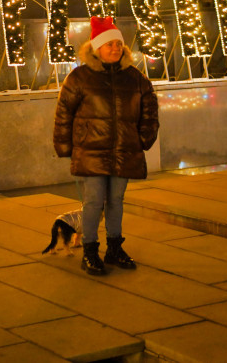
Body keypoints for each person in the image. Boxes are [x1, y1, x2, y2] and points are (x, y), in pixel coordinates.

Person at [53, 16, 159, 276]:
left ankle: (114, 248)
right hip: (91, 152)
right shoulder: (79, 77)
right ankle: (90, 250)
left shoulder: (135, 78)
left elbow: (150, 111)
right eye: (109, 44)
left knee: (116, 200)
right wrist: (65, 147)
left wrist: (144, 138)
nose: (115, 48)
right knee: (93, 202)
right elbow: (64, 113)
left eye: (118, 44)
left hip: (124, 150)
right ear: (96, 47)